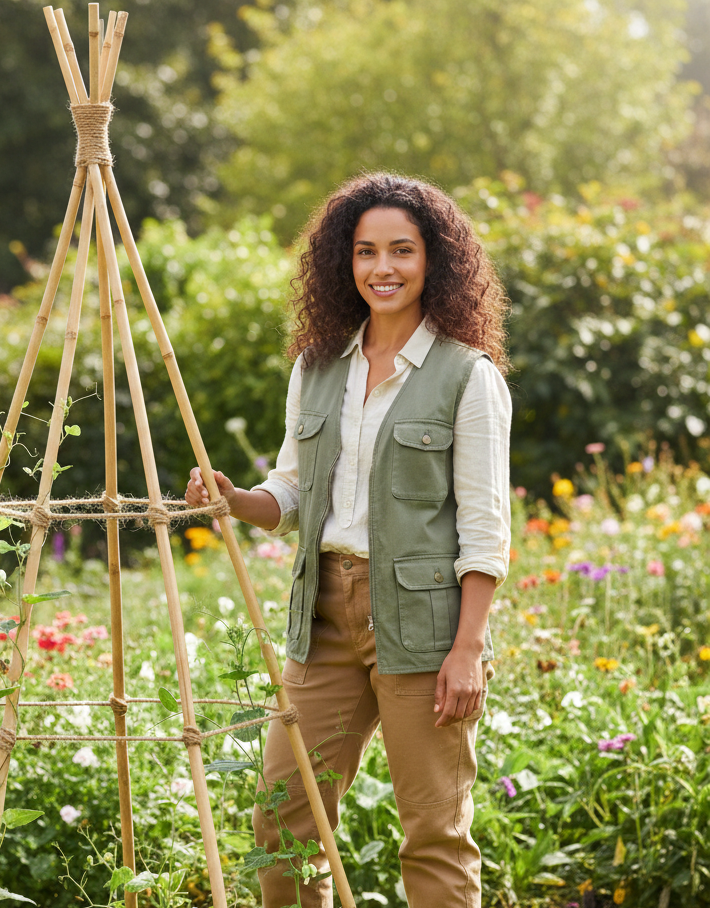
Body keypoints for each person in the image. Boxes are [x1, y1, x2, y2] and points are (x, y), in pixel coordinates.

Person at [185, 172, 512, 908]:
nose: (382, 268)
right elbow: (293, 491)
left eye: (402, 250)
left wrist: (468, 649)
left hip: (424, 626)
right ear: (345, 260)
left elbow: (486, 529)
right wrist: (236, 500)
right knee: (284, 821)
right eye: (366, 251)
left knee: (433, 831)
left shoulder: (469, 377)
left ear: (434, 260)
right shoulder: (317, 366)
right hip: (324, 616)